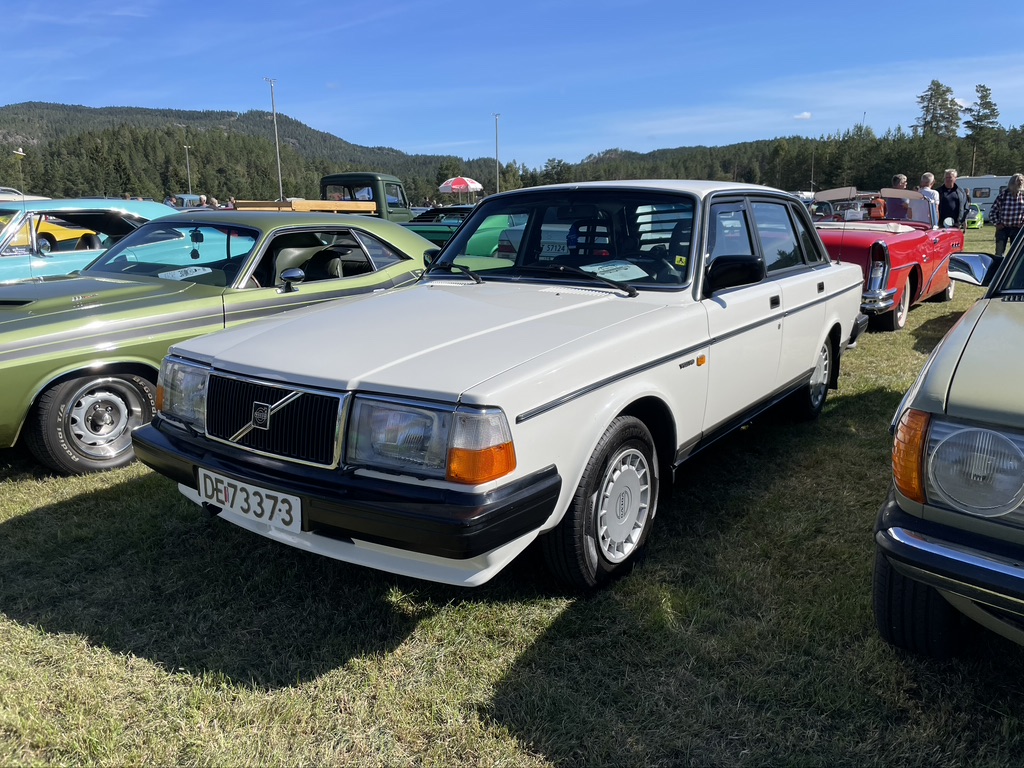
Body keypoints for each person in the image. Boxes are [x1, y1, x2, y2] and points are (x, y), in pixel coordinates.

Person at [989, 172, 1024, 257]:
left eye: (1022, 181)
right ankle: (998, 268)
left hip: (1017, 229)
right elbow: (992, 212)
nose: (1020, 183)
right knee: (999, 254)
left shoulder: (1023, 196)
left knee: (1016, 254)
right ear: (1012, 182)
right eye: (1018, 181)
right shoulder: (1003, 196)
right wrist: (997, 223)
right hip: (1003, 229)